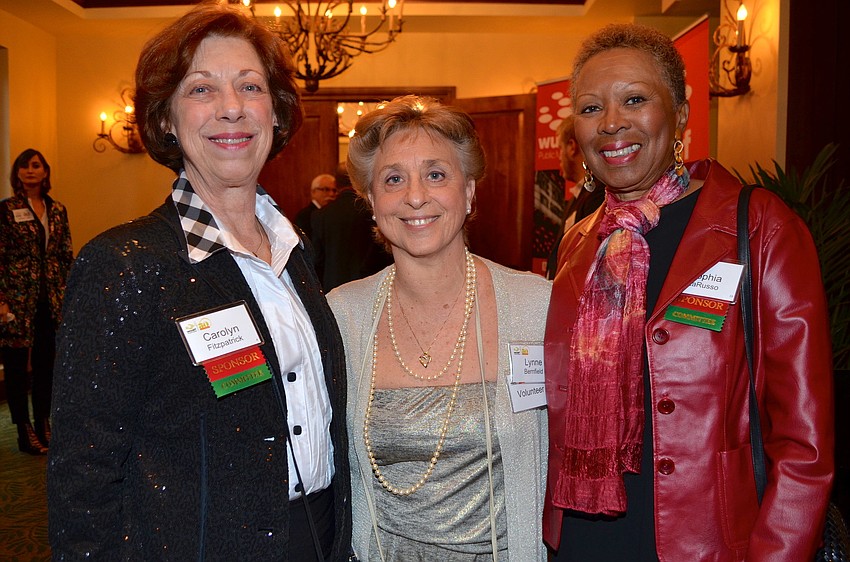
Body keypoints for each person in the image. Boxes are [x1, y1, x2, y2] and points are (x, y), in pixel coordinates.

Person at [47, 4, 351, 560]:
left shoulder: (296, 253)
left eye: (250, 87)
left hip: (320, 535)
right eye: (202, 90)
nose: (232, 109)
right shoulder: (125, 265)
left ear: (276, 113)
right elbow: (82, 476)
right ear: (165, 119)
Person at [544, 23, 834, 561]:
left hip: (705, 544)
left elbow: (804, 444)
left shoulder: (759, 228)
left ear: (680, 114)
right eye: (589, 108)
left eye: (634, 100)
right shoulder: (579, 244)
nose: (611, 124)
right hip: (582, 539)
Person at [327, 95, 550, 561]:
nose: (414, 196)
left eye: (435, 174)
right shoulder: (341, 317)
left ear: (468, 192)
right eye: (393, 179)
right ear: (371, 200)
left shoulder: (537, 307)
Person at [0, 148, 73, 455]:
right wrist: (2, 302)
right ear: (17, 174)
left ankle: (44, 422)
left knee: (46, 368)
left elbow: (65, 254)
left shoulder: (57, 210)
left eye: (35, 166)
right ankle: (24, 430)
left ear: (45, 172)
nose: (30, 171)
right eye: (24, 167)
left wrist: (69, 295)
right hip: (17, 302)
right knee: (17, 370)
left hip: (50, 301)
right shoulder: (6, 209)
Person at [311, 163, 392, 292]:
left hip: (332, 290)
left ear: (336, 184)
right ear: (358, 180)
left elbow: (317, 260)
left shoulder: (320, 215)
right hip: (369, 288)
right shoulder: (372, 211)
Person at [546, 114, 604, 280]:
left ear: (572, 147)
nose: (559, 157)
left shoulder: (598, 195)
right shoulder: (580, 195)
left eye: (560, 149)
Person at [295, 173, 337, 238]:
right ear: (313, 192)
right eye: (326, 189)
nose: (331, 194)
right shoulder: (304, 216)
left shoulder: (333, 214)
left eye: (334, 190)